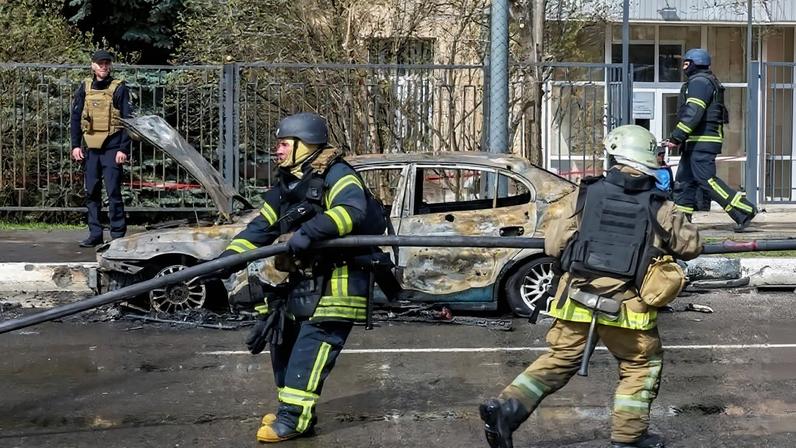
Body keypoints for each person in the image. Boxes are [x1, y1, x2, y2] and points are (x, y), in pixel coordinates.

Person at [479, 125, 702, 448]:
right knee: (641, 365)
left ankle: (506, 409)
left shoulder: (583, 194)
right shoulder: (660, 206)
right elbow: (691, 246)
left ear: (615, 156)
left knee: (560, 358)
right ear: (648, 161)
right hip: (627, 307)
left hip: (576, 298)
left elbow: (554, 245)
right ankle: (628, 438)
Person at [216, 112, 387, 443]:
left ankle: (294, 420)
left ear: (304, 144)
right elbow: (260, 228)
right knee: (284, 342)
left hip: (340, 282)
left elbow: (352, 211)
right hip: (304, 282)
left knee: (311, 348)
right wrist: (228, 259)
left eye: (282, 144)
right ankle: (289, 410)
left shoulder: (338, 173)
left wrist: (310, 231)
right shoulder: (288, 183)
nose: (276, 151)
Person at [664, 48, 757, 232]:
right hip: (695, 141)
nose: (683, 66)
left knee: (707, 181)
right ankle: (681, 223)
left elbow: (693, 112)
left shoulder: (699, 83)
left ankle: (744, 210)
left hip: (702, 141)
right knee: (684, 183)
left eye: (686, 63)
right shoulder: (701, 81)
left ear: (694, 63)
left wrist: (676, 137)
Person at [70, 49, 132, 247]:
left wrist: (124, 149)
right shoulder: (85, 87)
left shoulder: (119, 88)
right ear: (93, 65)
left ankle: (118, 236)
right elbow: (76, 118)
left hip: (113, 148)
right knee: (92, 192)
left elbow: (128, 121)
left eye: (107, 63)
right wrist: (75, 145)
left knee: (113, 192)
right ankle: (95, 234)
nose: (104, 66)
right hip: (91, 149)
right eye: (100, 63)